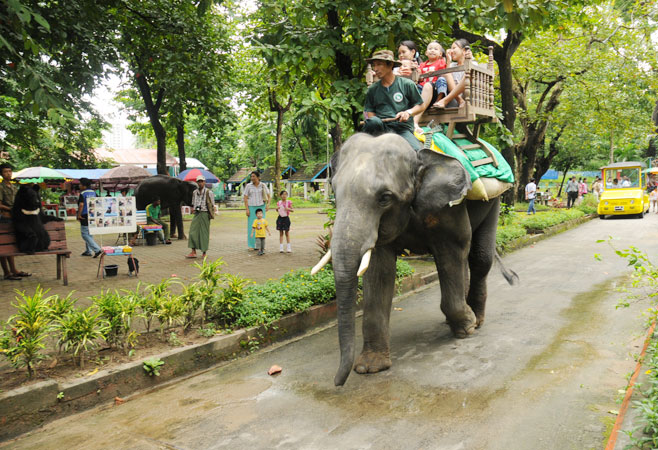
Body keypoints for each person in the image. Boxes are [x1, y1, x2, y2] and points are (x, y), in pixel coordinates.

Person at [363, 50, 424, 151]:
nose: (375, 69)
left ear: (390, 65)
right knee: (372, 122)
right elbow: (370, 112)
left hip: (402, 129)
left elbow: (420, 105)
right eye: (374, 65)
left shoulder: (406, 84)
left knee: (418, 152)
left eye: (379, 64)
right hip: (381, 129)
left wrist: (408, 113)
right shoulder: (372, 90)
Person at [0, 162, 31, 280]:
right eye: (5, 172)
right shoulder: (1, 187)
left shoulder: (13, 187)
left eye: (9, 171)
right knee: (3, 246)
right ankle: (7, 272)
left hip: (15, 218)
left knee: (11, 245)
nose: (8, 173)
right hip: (5, 218)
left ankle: (13, 270)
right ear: (1, 174)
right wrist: (12, 209)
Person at [413, 41, 449, 134]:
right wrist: (421, 74)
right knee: (414, 86)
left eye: (436, 49)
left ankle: (439, 100)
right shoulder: (422, 65)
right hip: (423, 88)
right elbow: (419, 75)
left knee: (442, 80)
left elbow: (444, 70)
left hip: (434, 89)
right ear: (426, 52)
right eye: (430, 48)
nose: (432, 50)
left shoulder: (440, 62)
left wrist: (448, 59)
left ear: (440, 54)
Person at [435, 39, 473, 109]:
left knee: (470, 72)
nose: (451, 51)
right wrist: (448, 61)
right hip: (453, 100)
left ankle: (457, 100)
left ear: (464, 50)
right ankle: (460, 100)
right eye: (451, 48)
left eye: (454, 48)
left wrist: (469, 60)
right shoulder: (452, 65)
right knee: (446, 74)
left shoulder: (473, 64)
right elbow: (445, 77)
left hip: (467, 98)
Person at [186, 175, 214, 259]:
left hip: (205, 213)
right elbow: (193, 203)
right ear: (197, 182)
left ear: (204, 182)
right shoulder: (195, 192)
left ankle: (204, 252)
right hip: (197, 213)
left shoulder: (209, 192)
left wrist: (211, 214)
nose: (200, 183)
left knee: (204, 233)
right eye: (199, 181)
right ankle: (193, 251)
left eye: (202, 181)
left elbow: (212, 204)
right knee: (192, 232)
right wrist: (193, 209)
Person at [243, 171, 270, 251]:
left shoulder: (263, 185)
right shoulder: (248, 186)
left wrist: (268, 205)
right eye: (251, 176)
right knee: (252, 226)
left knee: (261, 226)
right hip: (251, 207)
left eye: (254, 176)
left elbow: (268, 195)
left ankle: (261, 245)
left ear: (258, 177)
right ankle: (251, 245)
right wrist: (247, 209)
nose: (252, 178)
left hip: (261, 207)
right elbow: (245, 197)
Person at [76, 178, 102, 258]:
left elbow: (81, 205)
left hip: (84, 215)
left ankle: (97, 249)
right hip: (92, 214)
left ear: (84, 185)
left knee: (84, 234)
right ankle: (88, 251)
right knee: (89, 232)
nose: (79, 185)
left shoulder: (83, 193)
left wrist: (79, 215)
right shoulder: (94, 192)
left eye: (80, 184)